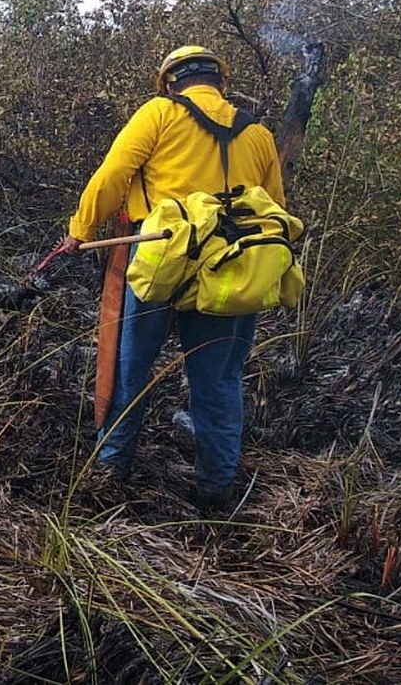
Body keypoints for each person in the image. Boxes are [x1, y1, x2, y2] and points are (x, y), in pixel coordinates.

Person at [57, 45, 287, 511]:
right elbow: (275, 209)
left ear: (169, 82)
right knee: (219, 382)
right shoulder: (258, 135)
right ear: (220, 83)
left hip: (160, 262)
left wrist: (80, 231)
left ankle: (110, 473)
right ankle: (217, 491)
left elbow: (113, 175)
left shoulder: (159, 113)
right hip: (229, 271)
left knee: (130, 371)